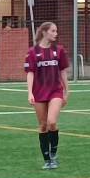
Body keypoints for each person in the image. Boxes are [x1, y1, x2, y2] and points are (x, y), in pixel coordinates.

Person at [25, 22, 70, 170]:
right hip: (39, 93)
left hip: (55, 91)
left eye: (56, 31)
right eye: (53, 31)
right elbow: (30, 73)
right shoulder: (32, 52)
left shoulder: (59, 50)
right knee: (43, 125)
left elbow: (63, 71)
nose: (56, 33)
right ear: (44, 32)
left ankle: (53, 154)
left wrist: (66, 90)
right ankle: (47, 160)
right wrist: (30, 92)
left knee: (51, 122)